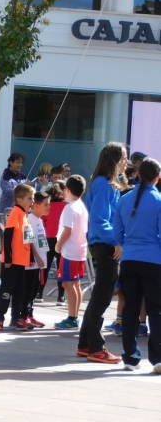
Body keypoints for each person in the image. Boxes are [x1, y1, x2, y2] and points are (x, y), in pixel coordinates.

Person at [76, 142, 128, 364]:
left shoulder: (105, 183)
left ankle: (85, 344)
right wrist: (116, 241)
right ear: (114, 159)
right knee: (102, 297)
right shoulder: (104, 185)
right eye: (124, 157)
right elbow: (99, 220)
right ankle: (96, 347)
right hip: (105, 245)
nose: (126, 162)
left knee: (100, 295)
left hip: (104, 244)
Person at [112, 157, 161, 374]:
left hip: (129, 260)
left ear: (138, 174)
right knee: (156, 310)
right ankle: (158, 359)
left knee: (130, 308)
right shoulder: (159, 200)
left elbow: (116, 233)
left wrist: (128, 243)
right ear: (158, 177)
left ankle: (130, 358)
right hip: (153, 260)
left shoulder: (124, 198)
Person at [0, 183, 37, 331]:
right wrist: (9, 257)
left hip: (21, 261)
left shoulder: (24, 215)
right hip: (12, 261)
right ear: (19, 200)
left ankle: (16, 318)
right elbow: (8, 234)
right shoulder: (16, 212)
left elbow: (26, 238)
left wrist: (29, 255)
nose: (32, 201)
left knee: (20, 290)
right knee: (7, 290)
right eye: (29, 198)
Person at [54, 175, 90, 334]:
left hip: (70, 251)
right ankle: (74, 316)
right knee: (75, 284)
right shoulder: (81, 206)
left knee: (69, 284)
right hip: (80, 250)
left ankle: (72, 318)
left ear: (67, 190)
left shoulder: (70, 207)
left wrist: (58, 244)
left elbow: (67, 230)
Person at [23, 191, 50, 328]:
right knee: (28, 290)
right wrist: (36, 257)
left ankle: (30, 314)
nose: (48, 207)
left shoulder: (39, 220)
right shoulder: (31, 220)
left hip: (38, 263)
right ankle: (24, 315)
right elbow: (30, 240)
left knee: (34, 290)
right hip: (31, 263)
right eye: (46, 204)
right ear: (36, 205)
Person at [38, 181, 67, 304]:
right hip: (62, 238)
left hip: (48, 237)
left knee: (45, 266)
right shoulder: (67, 205)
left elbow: (42, 220)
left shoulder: (48, 205)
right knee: (61, 267)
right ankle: (61, 296)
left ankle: (39, 293)